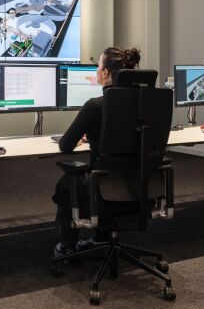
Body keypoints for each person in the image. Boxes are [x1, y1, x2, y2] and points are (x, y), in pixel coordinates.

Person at [53, 47, 141, 257]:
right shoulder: (145, 102)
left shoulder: (95, 106)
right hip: (141, 182)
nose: (97, 70)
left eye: (98, 66)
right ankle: (101, 237)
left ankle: (67, 247)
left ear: (105, 73)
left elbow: (65, 145)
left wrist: (87, 136)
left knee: (66, 184)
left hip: (102, 184)